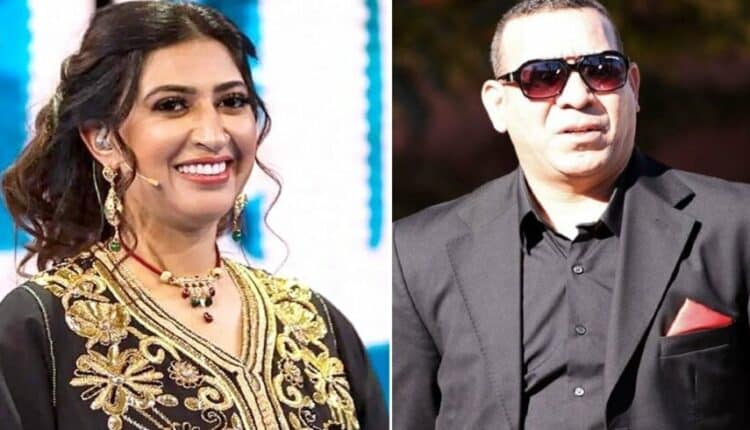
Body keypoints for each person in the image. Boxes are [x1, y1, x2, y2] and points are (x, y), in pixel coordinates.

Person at [0, 2, 386, 429]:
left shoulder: (317, 325)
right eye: (172, 105)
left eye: (232, 101)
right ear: (103, 139)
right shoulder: (40, 331)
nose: (213, 134)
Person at [393, 0, 750, 428]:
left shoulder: (735, 228)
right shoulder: (418, 255)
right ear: (497, 105)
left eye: (602, 71)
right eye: (543, 77)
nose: (578, 97)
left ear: (633, 87)